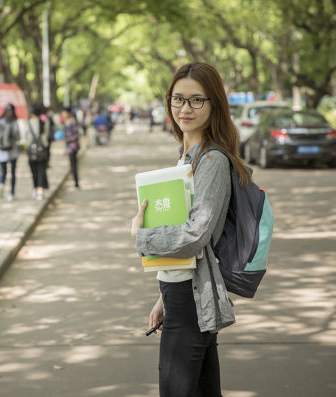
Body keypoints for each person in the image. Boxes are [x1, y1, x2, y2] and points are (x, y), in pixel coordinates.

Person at [130, 62, 252, 397]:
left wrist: (141, 236)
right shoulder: (187, 156)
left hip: (191, 302)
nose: (185, 108)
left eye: (197, 100)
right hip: (181, 296)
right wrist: (163, 298)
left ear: (214, 105)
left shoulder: (211, 160)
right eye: (178, 99)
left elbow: (196, 234)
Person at [0, 103, 20, 201]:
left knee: (3, 171)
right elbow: (18, 137)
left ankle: (1, 184)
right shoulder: (14, 122)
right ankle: (11, 193)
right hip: (13, 151)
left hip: (1, 152)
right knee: (13, 173)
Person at [27, 104, 50, 200]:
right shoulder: (44, 122)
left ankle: (35, 189)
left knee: (34, 171)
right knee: (41, 170)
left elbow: (26, 137)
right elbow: (46, 136)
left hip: (32, 150)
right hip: (42, 150)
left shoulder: (28, 123)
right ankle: (41, 191)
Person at [61, 107, 80, 189]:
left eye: (64, 113)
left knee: (73, 165)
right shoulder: (67, 122)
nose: (63, 114)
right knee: (72, 165)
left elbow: (76, 135)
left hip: (73, 146)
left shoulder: (73, 122)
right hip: (69, 147)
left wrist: (68, 139)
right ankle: (75, 183)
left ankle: (76, 184)